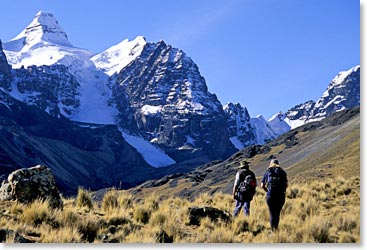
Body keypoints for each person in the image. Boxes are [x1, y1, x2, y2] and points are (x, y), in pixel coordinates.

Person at [261, 158, 288, 231]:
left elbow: (262, 185)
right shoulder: (282, 172)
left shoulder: (268, 171)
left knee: (272, 213)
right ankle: (276, 227)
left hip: (270, 195)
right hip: (280, 196)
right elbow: (286, 185)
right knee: (277, 213)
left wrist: (267, 191)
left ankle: (273, 231)